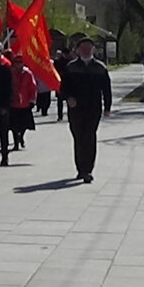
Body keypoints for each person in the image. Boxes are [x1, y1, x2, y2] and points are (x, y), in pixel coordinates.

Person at [61, 37, 112, 183]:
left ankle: (88, 170)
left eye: (88, 48)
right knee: (78, 138)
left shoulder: (100, 68)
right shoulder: (71, 67)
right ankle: (80, 168)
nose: (86, 50)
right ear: (77, 50)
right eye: (83, 48)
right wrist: (68, 97)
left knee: (90, 137)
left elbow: (106, 89)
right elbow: (63, 88)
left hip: (93, 108)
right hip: (76, 109)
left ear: (93, 50)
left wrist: (107, 107)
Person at [10, 54, 38, 150]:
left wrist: (32, 100)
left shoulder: (27, 73)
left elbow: (33, 87)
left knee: (24, 124)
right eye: (16, 62)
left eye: (20, 62)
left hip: (25, 103)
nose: (18, 64)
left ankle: (21, 136)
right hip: (13, 103)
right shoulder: (11, 73)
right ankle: (16, 142)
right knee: (13, 125)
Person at [53, 47, 72, 121]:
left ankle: (70, 115)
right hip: (60, 82)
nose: (66, 55)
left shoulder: (70, 62)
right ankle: (60, 116)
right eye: (65, 54)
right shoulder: (57, 62)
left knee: (69, 99)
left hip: (69, 83)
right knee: (60, 100)